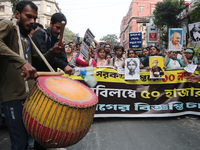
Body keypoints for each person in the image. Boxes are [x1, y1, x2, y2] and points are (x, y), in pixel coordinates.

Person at [0, 1, 64, 150]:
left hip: (30, 96)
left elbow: (38, 62)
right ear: (17, 14)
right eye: (28, 16)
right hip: (13, 97)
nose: (32, 21)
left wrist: (53, 52)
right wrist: (22, 62)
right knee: (20, 143)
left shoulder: (26, 37)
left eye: (34, 18)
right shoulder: (8, 26)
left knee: (39, 138)